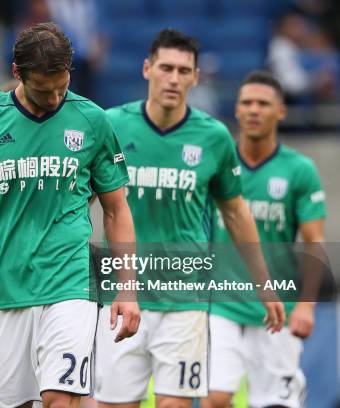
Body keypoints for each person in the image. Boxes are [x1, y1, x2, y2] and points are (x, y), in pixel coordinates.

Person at [0, 22, 140, 408]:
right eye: (42, 88)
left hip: (70, 283)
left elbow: (117, 209)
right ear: (17, 73)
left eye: (62, 86)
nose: (54, 98)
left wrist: (127, 287)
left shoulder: (92, 121)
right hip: (4, 289)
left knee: (58, 397)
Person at [93, 29, 285, 408]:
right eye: (166, 68)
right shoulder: (111, 125)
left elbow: (235, 212)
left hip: (186, 300)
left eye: (184, 70)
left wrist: (264, 282)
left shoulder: (213, 136)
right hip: (122, 295)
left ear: (196, 77)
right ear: (147, 69)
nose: (174, 78)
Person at [202, 71, 326, 408]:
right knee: (214, 398)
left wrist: (306, 305)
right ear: (237, 111)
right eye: (247, 103)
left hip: (279, 309)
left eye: (263, 103)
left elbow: (314, 241)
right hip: (221, 306)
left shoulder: (299, 170)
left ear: (281, 112)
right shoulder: (216, 166)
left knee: (274, 403)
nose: (254, 110)